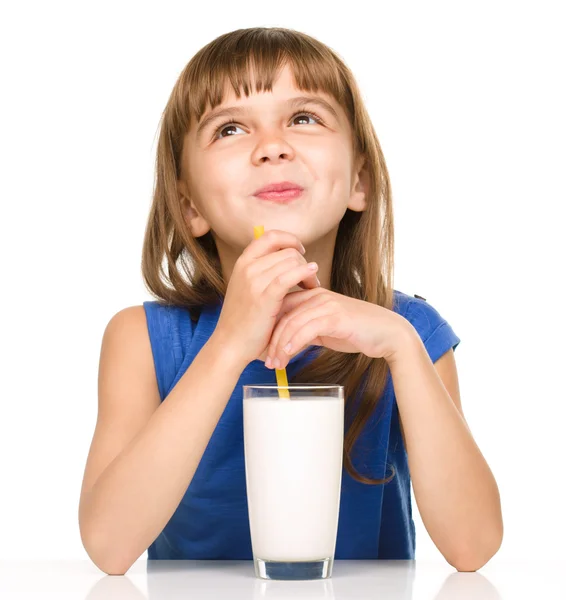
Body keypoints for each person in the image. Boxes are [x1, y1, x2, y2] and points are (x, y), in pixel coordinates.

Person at [78, 27, 503, 576]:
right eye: (230, 128)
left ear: (360, 182)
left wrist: (401, 346)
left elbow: (473, 546)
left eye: (304, 119)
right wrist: (230, 344)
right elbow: (109, 547)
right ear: (189, 209)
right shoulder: (145, 339)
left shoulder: (410, 332)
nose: (273, 146)